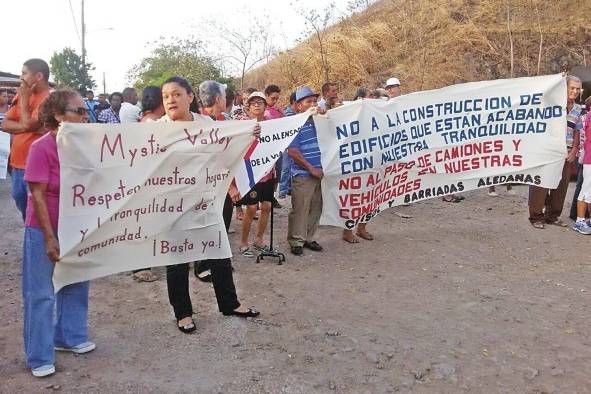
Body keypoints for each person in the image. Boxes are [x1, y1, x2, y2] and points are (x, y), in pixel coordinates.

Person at [161, 77, 259, 333]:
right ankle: (183, 313)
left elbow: (223, 156)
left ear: (190, 96)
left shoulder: (207, 124)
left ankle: (230, 303)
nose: (171, 99)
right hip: (175, 205)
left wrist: (249, 135)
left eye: (176, 94)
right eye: (166, 96)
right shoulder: (155, 131)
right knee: (178, 260)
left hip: (207, 201)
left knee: (219, 252)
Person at [23, 89, 95, 378]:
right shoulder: (41, 147)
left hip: (76, 226)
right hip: (44, 227)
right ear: (57, 115)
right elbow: (37, 195)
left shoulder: (83, 146)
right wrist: (49, 236)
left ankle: (69, 336)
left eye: (84, 110)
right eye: (78, 111)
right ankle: (39, 355)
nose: (84, 115)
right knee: (41, 293)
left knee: (77, 281)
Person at [528, 75, 582, 229]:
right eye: (572, 88)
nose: (575, 91)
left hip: (566, 152)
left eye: (577, 89)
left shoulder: (578, 109)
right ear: (565, 88)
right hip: (548, 150)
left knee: (561, 185)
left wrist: (574, 149)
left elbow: (576, 131)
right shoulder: (552, 104)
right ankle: (536, 216)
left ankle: (553, 216)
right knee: (541, 184)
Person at [1, 58, 51, 221]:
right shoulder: (22, 93)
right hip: (17, 164)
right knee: (22, 205)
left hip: (36, 164)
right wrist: (27, 126)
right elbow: (5, 124)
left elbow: (30, 124)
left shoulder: (48, 98)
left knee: (36, 214)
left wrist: (23, 101)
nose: (21, 78)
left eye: (24, 73)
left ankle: (41, 242)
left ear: (38, 76)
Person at [287, 86, 324, 255]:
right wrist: (311, 168)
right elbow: (293, 152)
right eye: (308, 101)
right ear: (299, 105)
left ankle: (309, 238)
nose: (313, 104)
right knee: (301, 208)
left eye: (315, 101)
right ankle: (296, 241)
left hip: (320, 172)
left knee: (316, 207)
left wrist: (326, 116)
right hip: (303, 174)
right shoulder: (295, 123)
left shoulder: (319, 121)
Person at [237, 92, 274, 257]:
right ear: (248, 106)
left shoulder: (273, 125)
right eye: (253, 102)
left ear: (265, 106)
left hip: (268, 172)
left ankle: (259, 239)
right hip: (251, 172)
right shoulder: (242, 124)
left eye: (260, 102)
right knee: (251, 208)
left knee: (267, 206)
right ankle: (243, 242)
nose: (257, 105)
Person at [342, 88, 374, 243]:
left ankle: (362, 228)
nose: (373, 98)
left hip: (372, 162)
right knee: (354, 199)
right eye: (370, 96)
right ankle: (347, 231)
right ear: (361, 98)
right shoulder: (349, 113)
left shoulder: (374, 113)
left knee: (371, 197)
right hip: (355, 163)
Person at [570, 95, 591, 221]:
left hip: (586, 155)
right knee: (585, 189)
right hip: (588, 157)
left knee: (586, 189)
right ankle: (580, 219)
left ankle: (583, 219)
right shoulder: (587, 117)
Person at [278, 91, 297, 199]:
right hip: (286, 145)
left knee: (291, 167)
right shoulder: (288, 113)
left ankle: (289, 188)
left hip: (294, 144)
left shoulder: (295, 113)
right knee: (285, 168)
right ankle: (282, 190)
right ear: (294, 101)